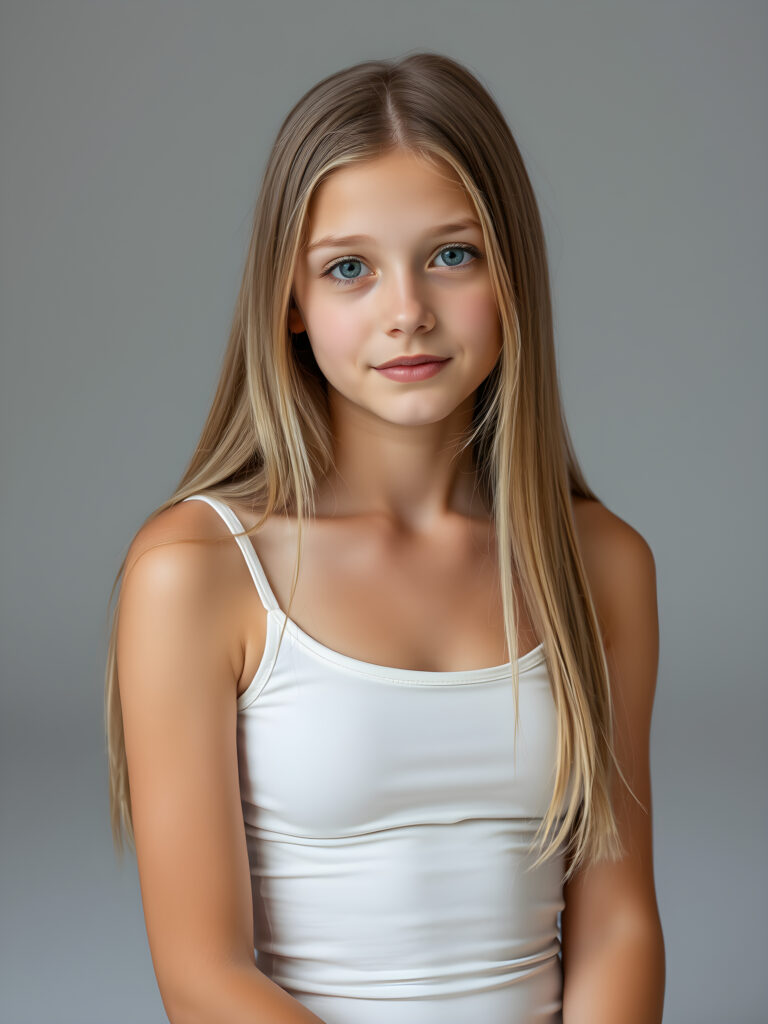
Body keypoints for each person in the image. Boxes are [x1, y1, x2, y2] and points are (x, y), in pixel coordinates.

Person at [104, 51, 665, 1024]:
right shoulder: (195, 574)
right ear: (291, 301)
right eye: (349, 268)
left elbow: (618, 924)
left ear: (512, 271)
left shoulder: (602, 566)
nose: (407, 311)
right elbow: (203, 975)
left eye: (453, 254)